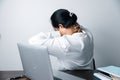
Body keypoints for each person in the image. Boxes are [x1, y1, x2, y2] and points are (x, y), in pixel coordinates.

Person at [28, 9, 94, 70]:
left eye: (56, 30)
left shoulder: (66, 44)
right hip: (89, 74)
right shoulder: (87, 32)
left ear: (60, 26)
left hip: (69, 76)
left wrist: (58, 33)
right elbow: (77, 26)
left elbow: (33, 41)